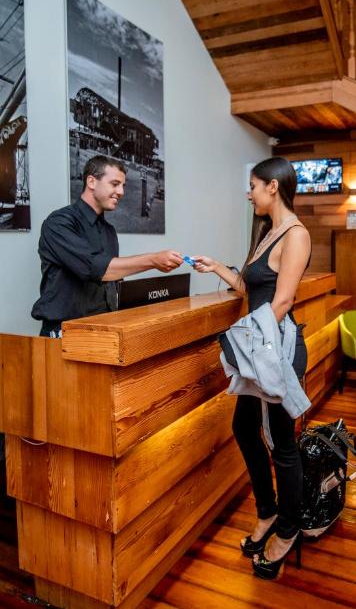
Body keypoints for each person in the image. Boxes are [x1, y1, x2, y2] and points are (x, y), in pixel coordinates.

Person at [191, 157, 312, 579]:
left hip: (276, 349)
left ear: (273, 188)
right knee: (244, 428)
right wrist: (218, 268)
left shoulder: (296, 234)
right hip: (256, 345)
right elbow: (251, 288)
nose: (249, 193)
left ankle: (288, 527)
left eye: (253, 186)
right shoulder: (266, 233)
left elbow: (282, 303)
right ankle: (266, 511)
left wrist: (240, 339)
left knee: (282, 443)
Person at [31, 155, 182, 337]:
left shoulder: (109, 231)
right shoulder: (60, 223)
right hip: (65, 332)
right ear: (92, 181)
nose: (121, 192)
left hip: (104, 328)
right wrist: (153, 260)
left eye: (122, 186)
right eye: (115, 184)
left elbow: (112, 281)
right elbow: (95, 268)